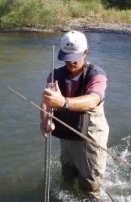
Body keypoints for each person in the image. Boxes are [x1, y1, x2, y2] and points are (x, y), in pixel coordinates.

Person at [40, 30, 109, 201]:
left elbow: (93, 99)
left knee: (90, 184)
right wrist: (44, 119)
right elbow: (46, 100)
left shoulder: (96, 75)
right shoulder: (55, 75)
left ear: (86, 52)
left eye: (75, 56)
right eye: (67, 57)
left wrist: (63, 102)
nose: (70, 61)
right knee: (68, 174)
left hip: (91, 135)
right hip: (67, 131)